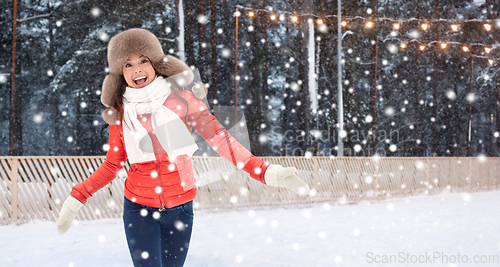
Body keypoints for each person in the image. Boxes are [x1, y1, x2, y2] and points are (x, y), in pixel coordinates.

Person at [56, 28, 310, 267]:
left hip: (181, 206)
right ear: (120, 74)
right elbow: (113, 165)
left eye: (143, 60)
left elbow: (221, 140)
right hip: (138, 207)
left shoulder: (183, 100)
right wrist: (77, 197)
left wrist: (265, 171)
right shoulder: (120, 114)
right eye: (128, 64)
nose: (137, 69)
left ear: (155, 64)